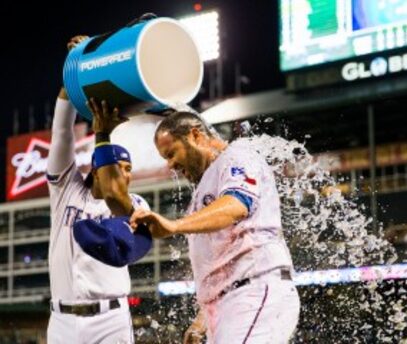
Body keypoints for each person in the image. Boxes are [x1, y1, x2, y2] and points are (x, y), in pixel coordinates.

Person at [87, 105, 301, 343]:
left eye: (171, 153)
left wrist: (174, 225)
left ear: (196, 135)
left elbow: (238, 205)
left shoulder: (238, 156)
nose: (170, 165)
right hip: (233, 301)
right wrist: (203, 319)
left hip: (256, 290)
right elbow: (220, 261)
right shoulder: (206, 184)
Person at [46, 36, 150, 344]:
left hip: (109, 319)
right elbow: (61, 132)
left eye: (128, 171)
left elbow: (124, 248)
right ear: (96, 167)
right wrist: (75, 67)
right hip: (62, 319)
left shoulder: (133, 203)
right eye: (118, 168)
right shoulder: (68, 188)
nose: (124, 176)